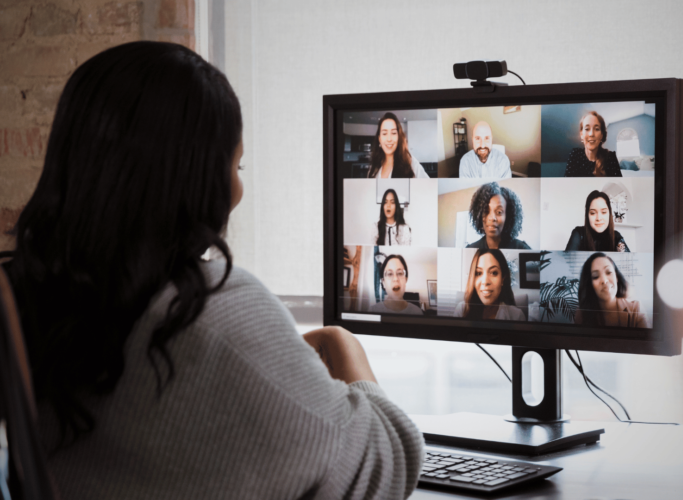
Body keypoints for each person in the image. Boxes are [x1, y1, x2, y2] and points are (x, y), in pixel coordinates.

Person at [0, 42, 422, 499]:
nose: (238, 189)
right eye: (235, 164)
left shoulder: (30, 298)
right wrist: (343, 345)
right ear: (195, 176)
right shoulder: (211, 309)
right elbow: (389, 463)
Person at [575, 253, 649, 328]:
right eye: (595, 276)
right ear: (589, 284)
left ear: (616, 277)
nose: (604, 280)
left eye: (608, 272)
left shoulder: (636, 309)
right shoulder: (581, 313)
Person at [453, 249, 525, 321]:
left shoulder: (517, 316)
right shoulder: (462, 310)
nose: (485, 282)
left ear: (503, 279)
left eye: (494, 273)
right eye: (478, 273)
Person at [466, 182, 531, 249]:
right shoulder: (470, 249)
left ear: (507, 216)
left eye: (499, 212)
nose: (492, 218)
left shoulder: (522, 249)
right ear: (479, 215)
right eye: (486, 211)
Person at [366, 112, 429, 178]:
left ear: (398, 137)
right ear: (379, 139)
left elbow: (429, 186)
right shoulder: (374, 167)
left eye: (393, 133)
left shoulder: (410, 163)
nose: (389, 139)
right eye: (384, 133)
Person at [565, 190, 630, 252]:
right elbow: (566, 261)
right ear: (587, 215)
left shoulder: (616, 236)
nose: (598, 218)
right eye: (593, 213)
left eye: (604, 212)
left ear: (609, 214)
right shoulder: (579, 234)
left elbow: (629, 260)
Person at [563, 111, 623, 177]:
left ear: (601, 135)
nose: (591, 134)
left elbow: (616, 185)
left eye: (597, 129)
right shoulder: (575, 154)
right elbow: (568, 184)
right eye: (587, 129)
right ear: (581, 134)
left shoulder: (610, 158)